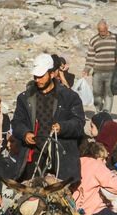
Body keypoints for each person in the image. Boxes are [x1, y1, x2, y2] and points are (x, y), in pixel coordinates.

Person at [13, 53, 85, 182]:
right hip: (34, 157)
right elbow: (17, 122)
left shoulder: (69, 97)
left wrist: (63, 127)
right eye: (35, 76)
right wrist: (25, 134)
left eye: (41, 76)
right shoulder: (25, 98)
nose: (37, 80)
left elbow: (79, 123)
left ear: (52, 74)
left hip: (61, 159)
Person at [83, 20, 117, 113]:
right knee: (96, 93)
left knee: (109, 94)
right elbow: (90, 56)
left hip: (111, 71)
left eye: (104, 31)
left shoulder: (115, 38)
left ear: (107, 28)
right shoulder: (94, 40)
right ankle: (98, 110)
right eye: (100, 31)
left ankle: (106, 114)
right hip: (97, 72)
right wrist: (87, 69)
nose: (102, 33)